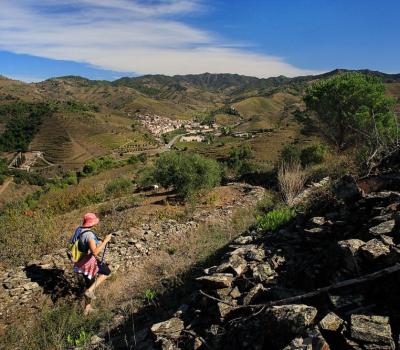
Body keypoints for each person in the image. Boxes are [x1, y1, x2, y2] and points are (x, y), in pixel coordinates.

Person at [73, 213, 113, 314]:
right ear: (92, 223)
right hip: (88, 263)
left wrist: (99, 241)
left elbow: (85, 245)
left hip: (80, 263)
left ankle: (87, 308)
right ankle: (89, 292)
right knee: (106, 272)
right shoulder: (89, 234)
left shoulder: (79, 230)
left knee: (89, 283)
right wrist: (105, 241)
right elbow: (95, 252)